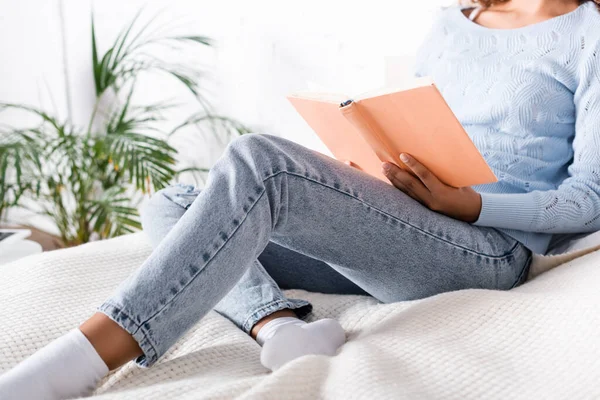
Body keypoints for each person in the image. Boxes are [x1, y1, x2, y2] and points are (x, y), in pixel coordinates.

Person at [1, 0, 599, 398]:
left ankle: (77, 363)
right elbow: (416, 125)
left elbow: (590, 198)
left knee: (258, 161)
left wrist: (469, 206)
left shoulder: (589, 34)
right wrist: (365, 167)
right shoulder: (454, 20)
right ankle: (279, 326)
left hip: (485, 249)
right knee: (174, 199)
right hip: (401, 227)